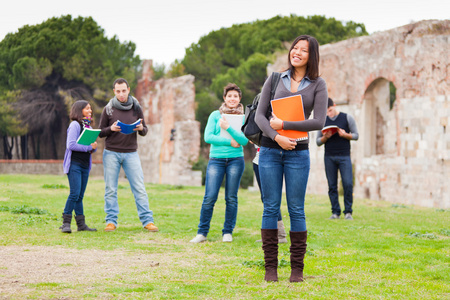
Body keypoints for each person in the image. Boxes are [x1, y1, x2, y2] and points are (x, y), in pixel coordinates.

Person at [255, 35, 328, 282]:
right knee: (270, 207)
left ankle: (297, 270)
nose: (297, 52)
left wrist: (285, 123)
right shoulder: (275, 78)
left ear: (312, 55)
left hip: (298, 152)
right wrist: (277, 137)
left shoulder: (318, 84)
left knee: (297, 209)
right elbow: (260, 117)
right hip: (269, 150)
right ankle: (270, 269)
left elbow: (319, 121)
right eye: (295, 48)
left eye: (303, 50)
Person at [190, 83, 248, 243]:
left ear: (239, 99)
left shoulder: (243, 117)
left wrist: (228, 128)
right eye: (229, 96)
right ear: (224, 98)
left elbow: (244, 140)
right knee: (210, 197)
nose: (232, 99)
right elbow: (208, 137)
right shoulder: (215, 115)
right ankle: (202, 233)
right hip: (216, 160)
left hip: (236, 160)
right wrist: (230, 142)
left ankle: (227, 232)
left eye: (235, 96)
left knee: (231, 197)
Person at [98, 78, 158, 232]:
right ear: (114, 92)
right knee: (111, 189)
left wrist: (139, 128)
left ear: (128, 89)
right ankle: (111, 221)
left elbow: (144, 130)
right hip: (111, 153)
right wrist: (111, 129)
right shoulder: (108, 109)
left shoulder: (136, 107)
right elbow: (101, 132)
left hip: (131, 154)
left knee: (139, 188)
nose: (121, 94)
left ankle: (147, 221)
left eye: (124, 90)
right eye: (118, 91)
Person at [316, 98, 359, 220]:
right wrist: (325, 137)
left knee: (347, 183)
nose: (329, 114)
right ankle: (335, 212)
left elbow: (356, 135)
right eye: (326, 112)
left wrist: (345, 135)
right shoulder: (323, 121)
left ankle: (348, 212)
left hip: (344, 156)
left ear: (334, 106)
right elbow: (318, 142)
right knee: (332, 185)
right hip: (329, 156)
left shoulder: (347, 118)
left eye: (330, 110)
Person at [60, 100, 98, 233]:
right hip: (74, 164)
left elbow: (90, 149)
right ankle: (65, 223)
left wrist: (93, 148)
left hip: (84, 165)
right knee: (74, 194)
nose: (90, 111)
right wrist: (88, 147)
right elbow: (70, 145)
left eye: (90, 109)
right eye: (87, 108)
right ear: (79, 110)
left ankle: (81, 225)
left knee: (80, 196)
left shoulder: (89, 128)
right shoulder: (75, 125)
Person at [252, 145, 287, 244]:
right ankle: (275, 235)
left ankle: (280, 234)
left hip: (271, 160)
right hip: (259, 160)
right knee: (267, 199)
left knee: (271, 200)